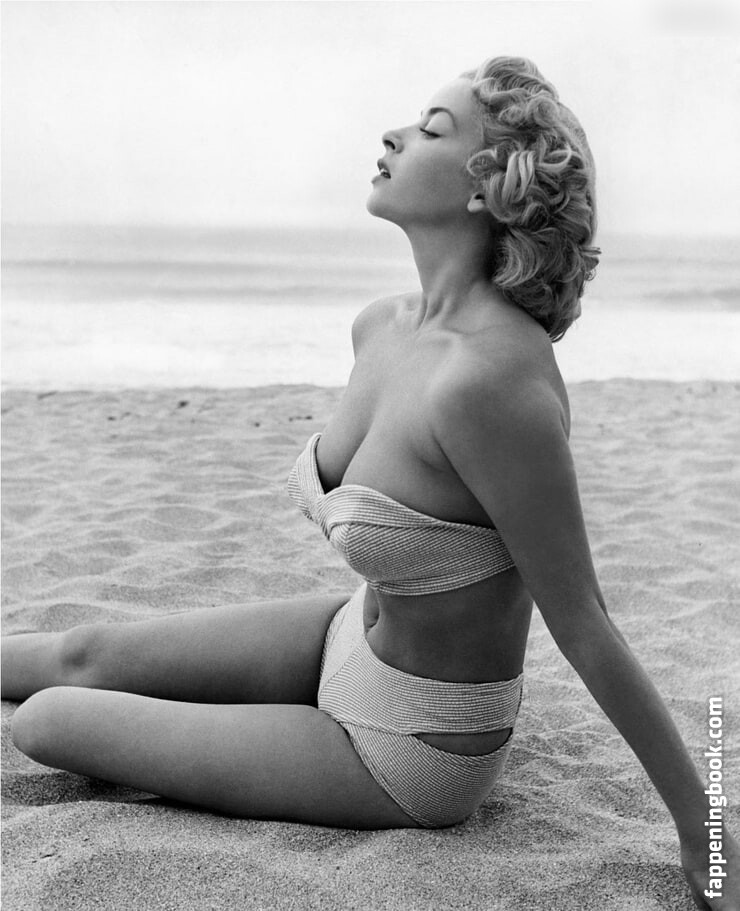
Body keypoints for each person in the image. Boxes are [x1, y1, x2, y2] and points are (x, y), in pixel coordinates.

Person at [2, 56, 737, 909]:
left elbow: (585, 621)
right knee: (83, 653)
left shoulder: (491, 383)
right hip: (347, 635)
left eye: (431, 129)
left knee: (49, 719)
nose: (393, 135)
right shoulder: (382, 328)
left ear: (486, 187)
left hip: (408, 744)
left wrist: (705, 829)